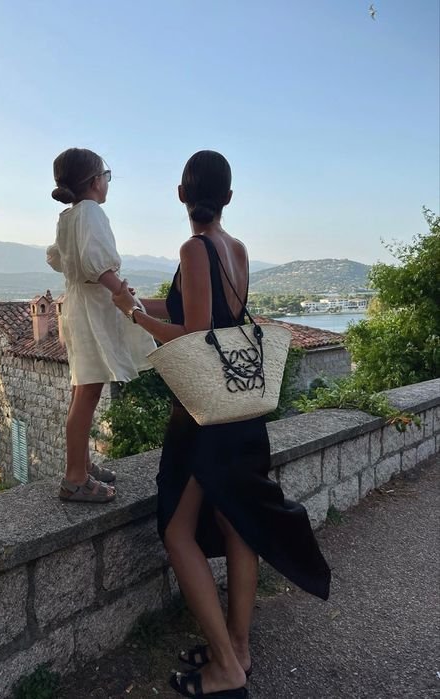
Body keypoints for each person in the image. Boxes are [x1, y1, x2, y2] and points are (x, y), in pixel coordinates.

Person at [112, 150, 331, 698]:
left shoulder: (192, 247)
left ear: (181, 195)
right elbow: (205, 311)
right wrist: (136, 302)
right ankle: (239, 647)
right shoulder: (237, 249)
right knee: (237, 526)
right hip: (242, 411)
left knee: (177, 531)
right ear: (227, 198)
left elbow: (195, 331)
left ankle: (226, 674)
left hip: (203, 418)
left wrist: (136, 319)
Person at [47, 147, 155, 503]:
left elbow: (59, 258)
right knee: (89, 391)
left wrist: (110, 284)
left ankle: (82, 463)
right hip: (92, 309)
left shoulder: (69, 215)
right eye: (107, 177)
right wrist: (122, 293)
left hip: (79, 304)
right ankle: (75, 478)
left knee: (83, 390)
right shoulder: (91, 212)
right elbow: (97, 263)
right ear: (96, 181)